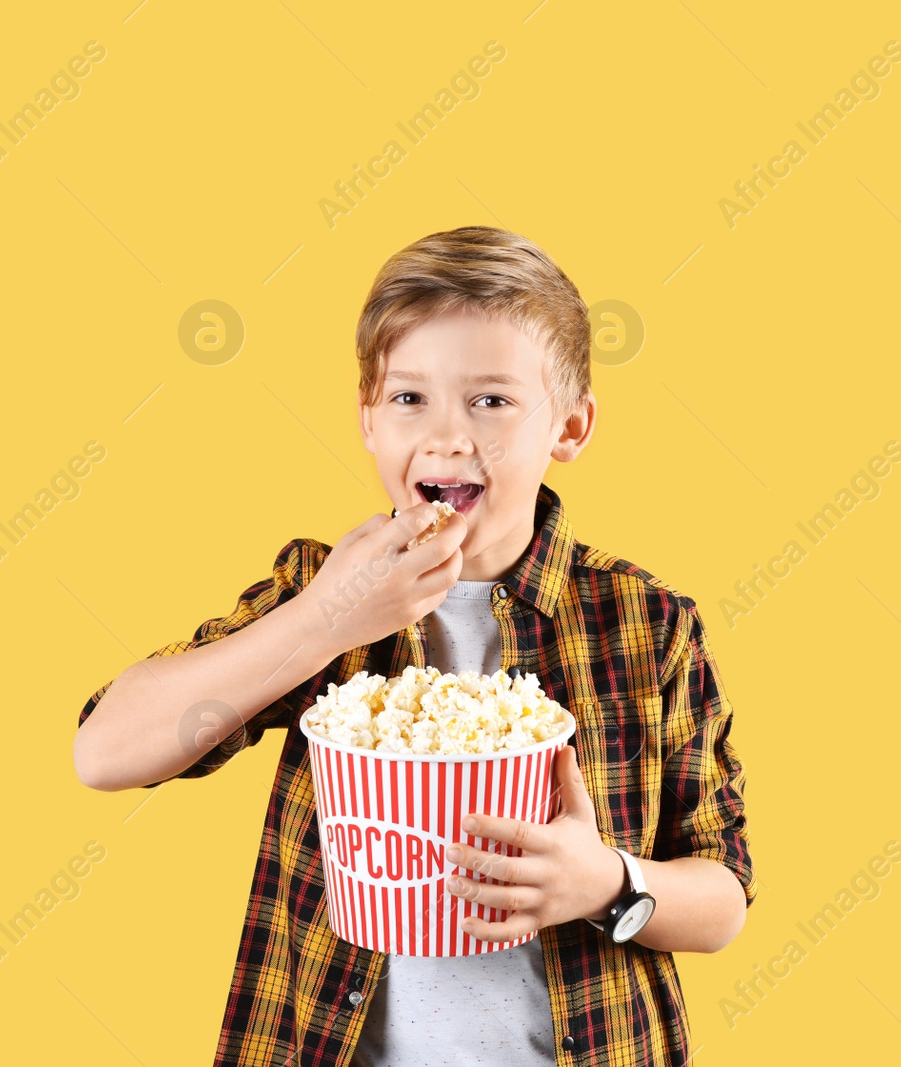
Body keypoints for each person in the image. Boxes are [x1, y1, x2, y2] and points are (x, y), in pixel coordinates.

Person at [72, 225, 757, 1066]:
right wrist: (328, 616)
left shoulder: (645, 625)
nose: (448, 435)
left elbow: (724, 893)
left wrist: (608, 883)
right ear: (368, 421)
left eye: (492, 400)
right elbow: (105, 750)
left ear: (570, 427)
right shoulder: (320, 593)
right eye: (409, 399)